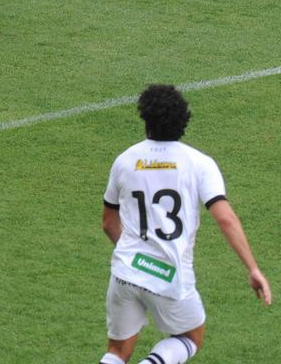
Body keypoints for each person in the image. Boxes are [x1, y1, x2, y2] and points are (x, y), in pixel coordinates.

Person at [98, 84, 271, 364]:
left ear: (146, 120)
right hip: (171, 276)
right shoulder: (199, 163)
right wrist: (252, 268)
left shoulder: (125, 161)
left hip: (124, 272)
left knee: (117, 351)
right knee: (191, 337)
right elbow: (225, 217)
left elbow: (108, 222)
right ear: (184, 121)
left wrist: (134, 256)